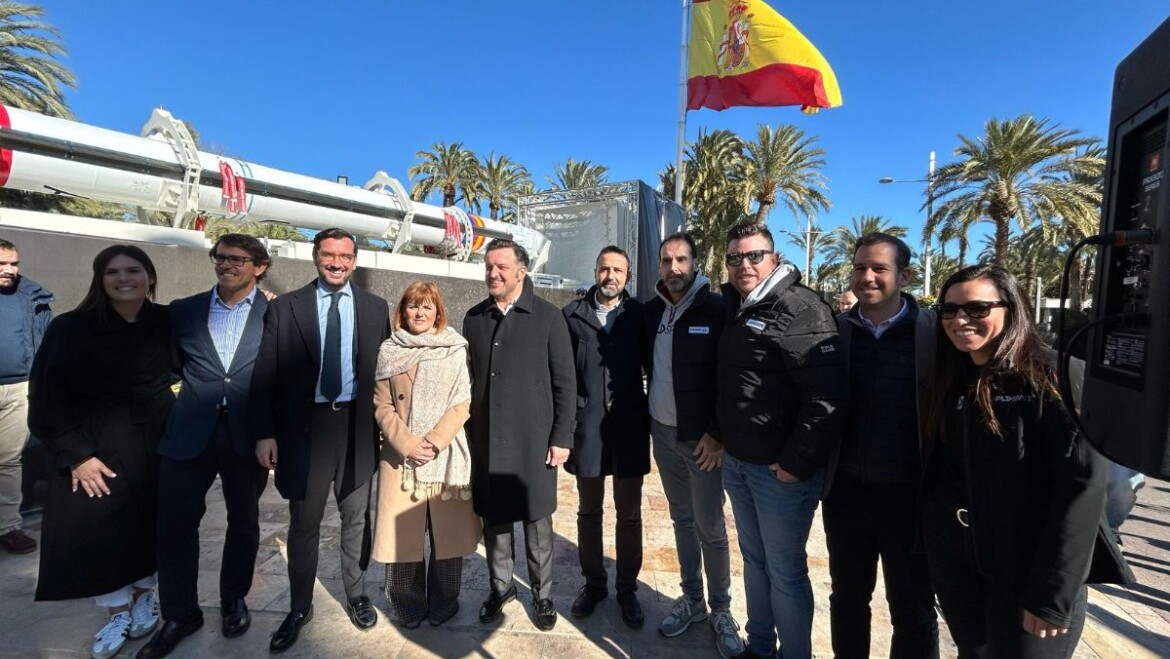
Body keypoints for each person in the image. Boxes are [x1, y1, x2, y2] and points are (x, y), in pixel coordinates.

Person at [921, 264, 1131, 658]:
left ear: (1012, 309)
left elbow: (1081, 489)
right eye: (949, 310)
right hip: (961, 570)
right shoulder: (950, 376)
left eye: (977, 309)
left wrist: (1053, 594)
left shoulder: (1052, 375)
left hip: (1029, 576)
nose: (960, 320)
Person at [28, 245, 173, 659]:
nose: (124, 279)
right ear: (100, 278)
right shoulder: (71, 328)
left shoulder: (166, 321)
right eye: (113, 272)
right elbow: (47, 395)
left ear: (149, 276)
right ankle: (116, 611)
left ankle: (145, 596)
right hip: (93, 447)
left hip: (155, 442)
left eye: (133, 270)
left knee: (149, 525)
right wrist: (77, 455)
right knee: (101, 533)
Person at [251, 228, 390, 653]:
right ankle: (299, 606)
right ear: (316, 257)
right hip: (304, 431)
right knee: (304, 524)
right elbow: (265, 373)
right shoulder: (286, 307)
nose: (337, 263)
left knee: (356, 519)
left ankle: (357, 593)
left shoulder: (375, 307)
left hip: (356, 428)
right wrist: (265, 432)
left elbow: (386, 370)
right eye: (329, 254)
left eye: (345, 256)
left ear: (354, 261)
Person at [136, 235, 273, 659]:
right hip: (188, 433)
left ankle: (234, 599)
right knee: (174, 524)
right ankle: (180, 614)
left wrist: (271, 432)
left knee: (244, 521)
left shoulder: (277, 311)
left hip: (246, 435)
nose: (227, 265)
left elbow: (282, 374)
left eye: (238, 259)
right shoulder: (184, 310)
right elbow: (170, 365)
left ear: (259, 267)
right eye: (221, 257)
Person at [716, 222, 845, 659]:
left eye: (754, 255)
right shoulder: (738, 305)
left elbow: (827, 398)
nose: (744, 265)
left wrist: (796, 462)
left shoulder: (801, 307)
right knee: (754, 562)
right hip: (739, 463)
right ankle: (759, 647)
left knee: (785, 573)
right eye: (735, 257)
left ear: (774, 257)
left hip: (780, 475)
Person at [823, 233, 939, 659]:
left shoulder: (933, 334)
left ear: (904, 276)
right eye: (859, 268)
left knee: (912, 607)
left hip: (910, 498)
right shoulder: (837, 332)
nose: (867, 276)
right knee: (848, 598)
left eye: (879, 268)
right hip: (846, 492)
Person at [463, 239, 575, 632]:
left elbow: (565, 382)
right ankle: (501, 587)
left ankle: (542, 595)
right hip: (488, 438)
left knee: (536, 521)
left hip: (534, 439)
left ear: (521, 272)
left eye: (502, 267)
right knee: (494, 520)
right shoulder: (474, 318)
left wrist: (562, 436)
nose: (493, 274)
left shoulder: (548, 317)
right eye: (488, 267)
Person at [643, 232, 743, 658]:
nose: (674, 268)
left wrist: (717, 433)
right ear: (659, 266)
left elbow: (730, 376)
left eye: (681, 259)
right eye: (667, 260)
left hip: (702, 442)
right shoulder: (652, 311)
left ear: (696, 263)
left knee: (710, 527)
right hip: (662, 434)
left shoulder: (716, 309)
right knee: (681, 520)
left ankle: (722, 609)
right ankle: (692, 600)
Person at [372, 281, 479, 628]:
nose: (419, 313)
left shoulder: (454, 348)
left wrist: (433, 442)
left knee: (448, 541)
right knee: (403, 541)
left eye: (427, 306)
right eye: (413, 306)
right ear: (402, 311)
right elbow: (382, 404)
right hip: (401, 459)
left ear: (438, 312)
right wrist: (408, 443)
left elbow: (462, 402)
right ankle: (407, 605)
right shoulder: (389, 350)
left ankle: (444, 603)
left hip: (445, 455)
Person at [562, 246, 650, 629]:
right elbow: (563, 377)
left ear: (627, 276)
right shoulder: (572, 316)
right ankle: (594, 584)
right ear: (595, 270)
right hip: (587, 431)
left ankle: (627, 589)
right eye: (604, 268)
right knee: (589, 512)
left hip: (630, 430)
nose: (610, 276)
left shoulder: (639, 316)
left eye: (618, 270)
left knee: (629, 515)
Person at [0, 238, 52, 555]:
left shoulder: (32, 296)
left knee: (8, 461)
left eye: (14, 263)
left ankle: (7, 527)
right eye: (2, 264)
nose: (9, 270)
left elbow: (46, 340)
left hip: (20, 388)